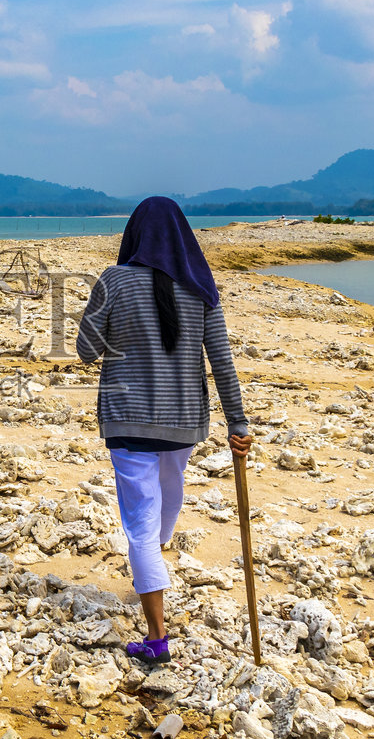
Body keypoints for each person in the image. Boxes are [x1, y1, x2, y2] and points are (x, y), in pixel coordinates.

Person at [75, 196, 253, 664]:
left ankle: (156, 636)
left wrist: (117, 327)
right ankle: (150, 571)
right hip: (182, 424)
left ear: (133, 236)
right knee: (164, 504)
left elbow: (86, 350)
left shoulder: (113, 281)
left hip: (128, 420)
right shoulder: (200, 286)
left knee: (140, 523)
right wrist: (238, 421)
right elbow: (221, 361)